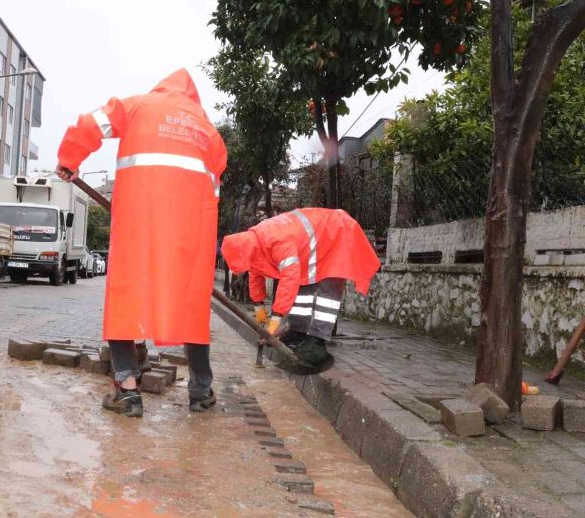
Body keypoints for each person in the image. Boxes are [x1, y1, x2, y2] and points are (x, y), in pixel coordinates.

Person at [56, 69, 227, 417]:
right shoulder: (209, 132)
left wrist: (69, 159)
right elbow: (215, 189)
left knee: (125, 298)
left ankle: (128, 392)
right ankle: (201, 393)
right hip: (190, 235)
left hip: (139, 225)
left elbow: (91, 123)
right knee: (191, 309)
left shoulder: (138, 107)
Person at [221, 208, 380, 371]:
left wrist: (276, 317)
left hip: (336, 235)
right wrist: (259, 307)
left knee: (328, 294)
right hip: (314, 245)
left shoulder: (277, 241)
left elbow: (289, 280)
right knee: (303, 290)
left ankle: (318, 339)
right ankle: (298, 331)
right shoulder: (254, 242)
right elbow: (255, 272)